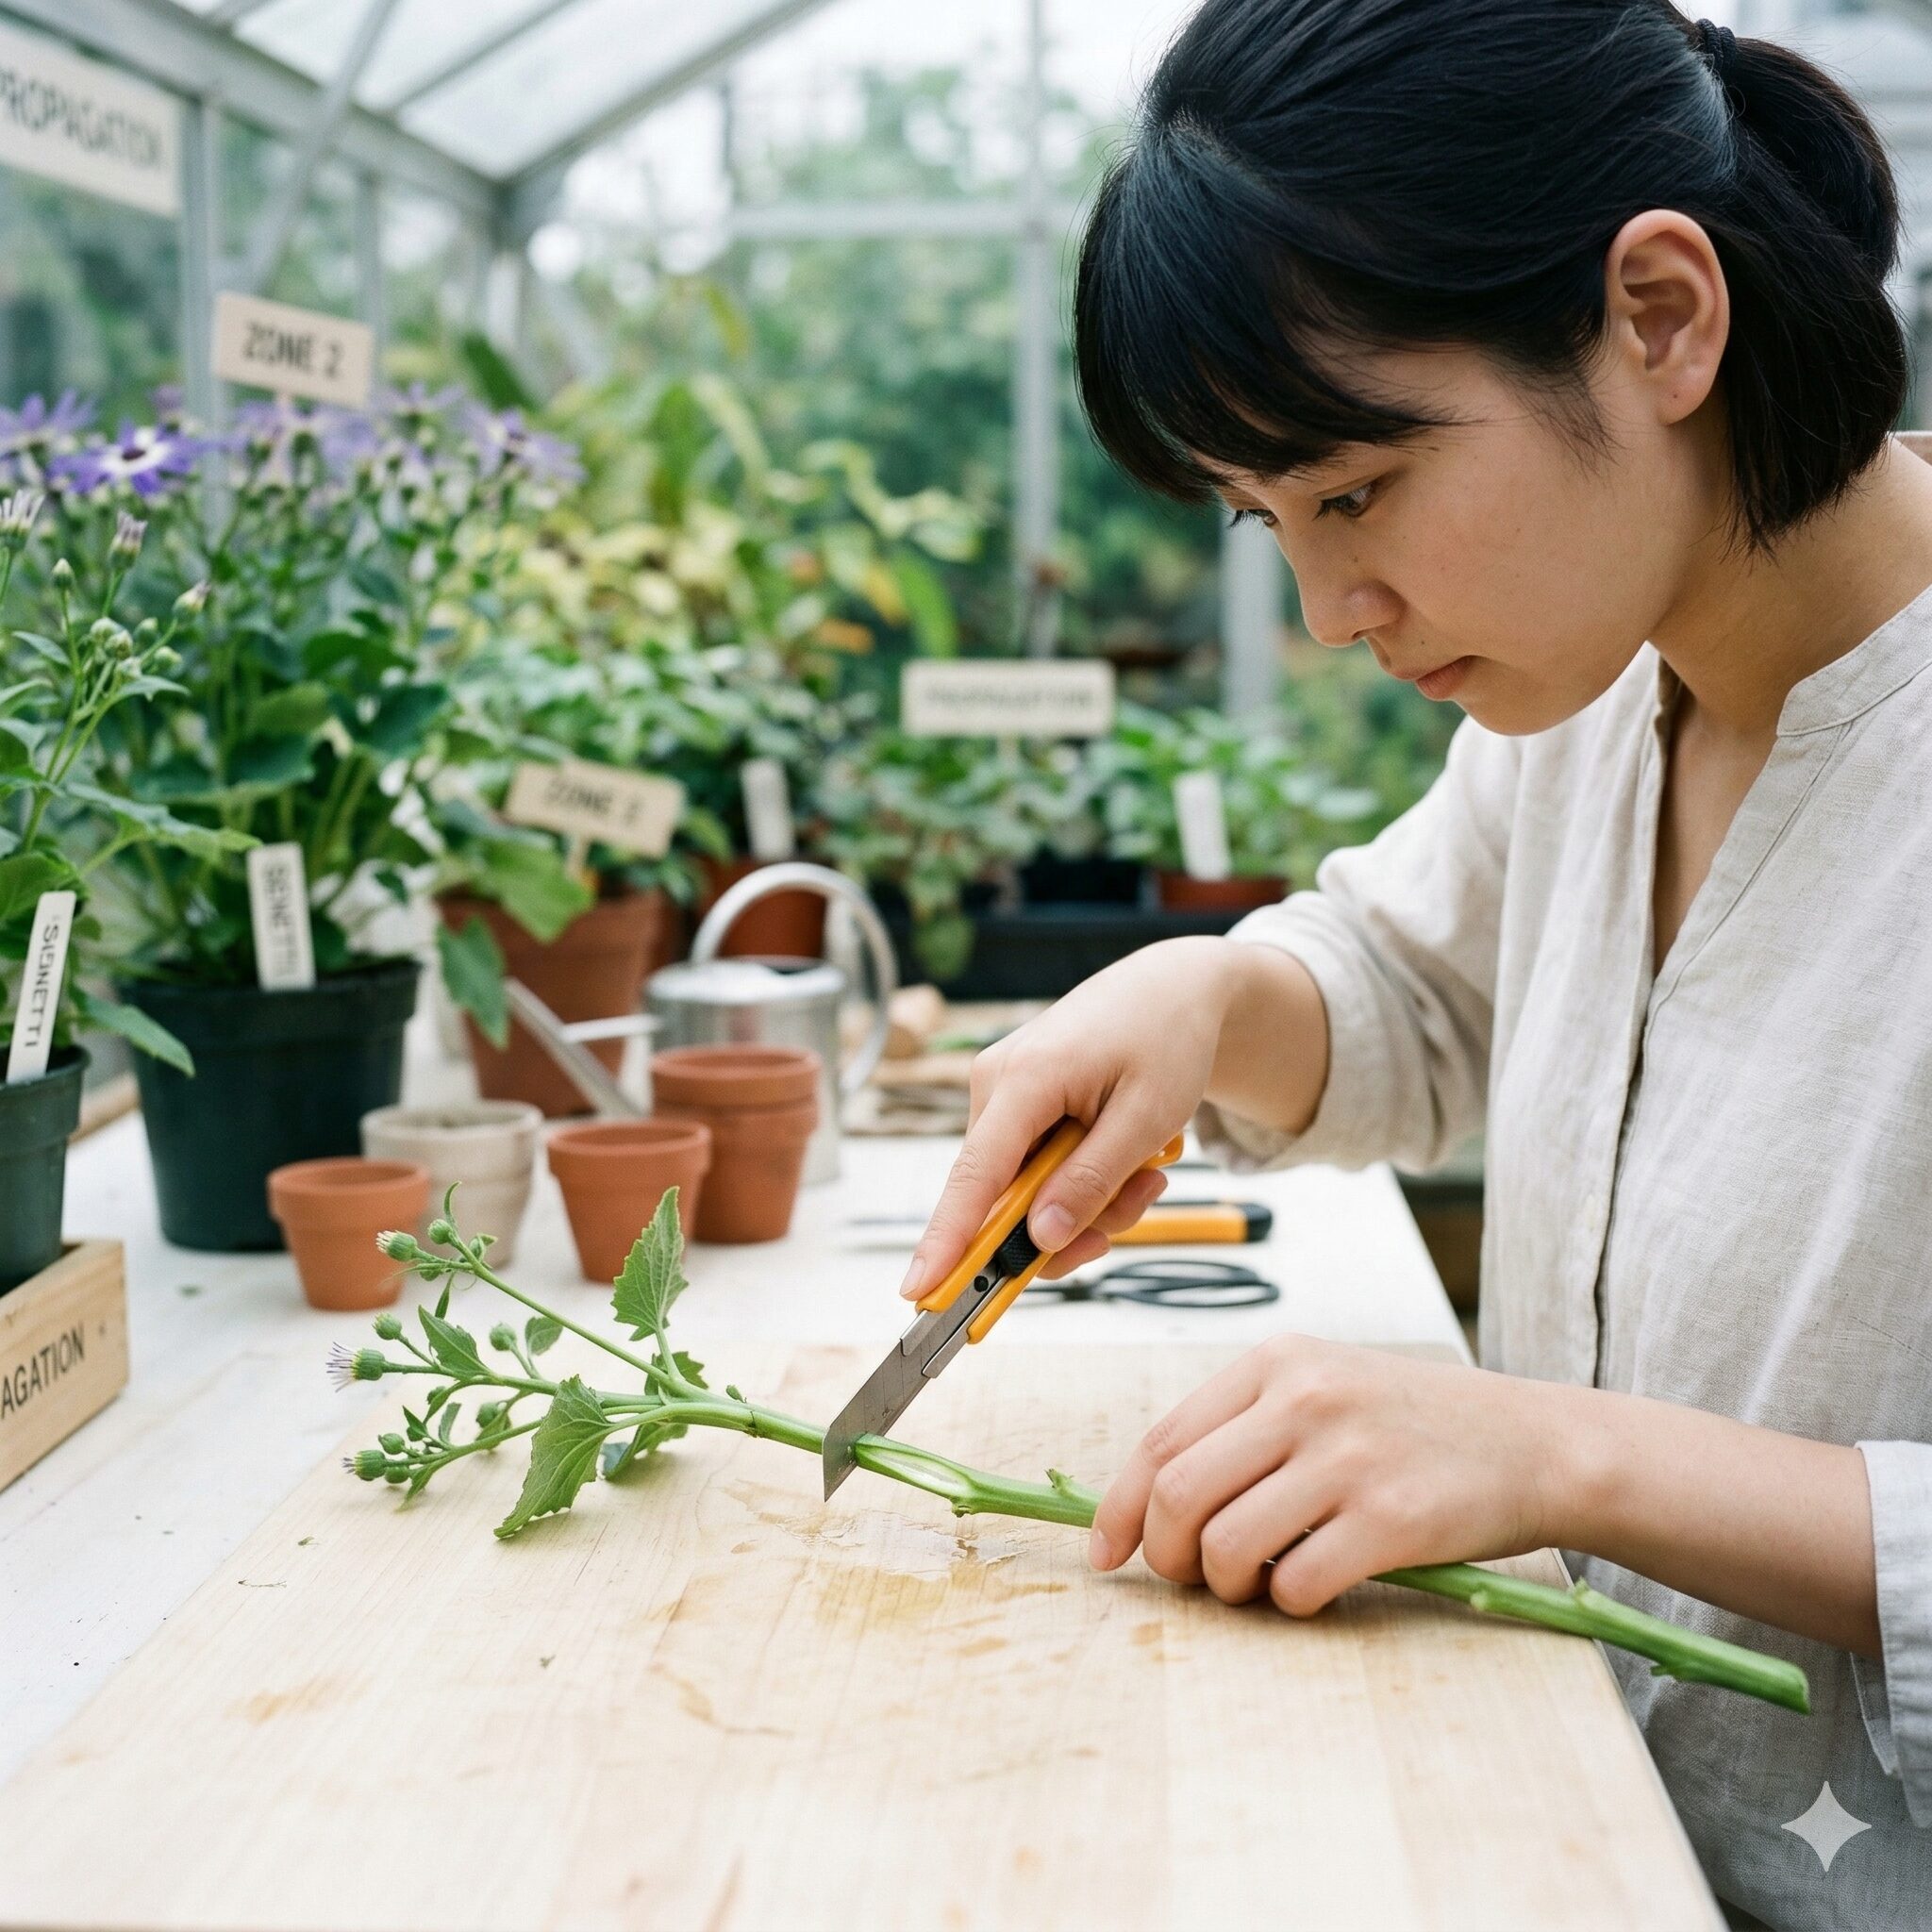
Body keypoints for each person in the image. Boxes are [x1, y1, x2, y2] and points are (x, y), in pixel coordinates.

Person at [894, 3, 1932, 1925]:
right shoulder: (1598, 698)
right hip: (1555, 1843)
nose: (1324, 610)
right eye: (1263, 519)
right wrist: (1202, 995)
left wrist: (1557, 1454)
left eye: (1354, 490)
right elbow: (1406, 991)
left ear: (1656, 317)